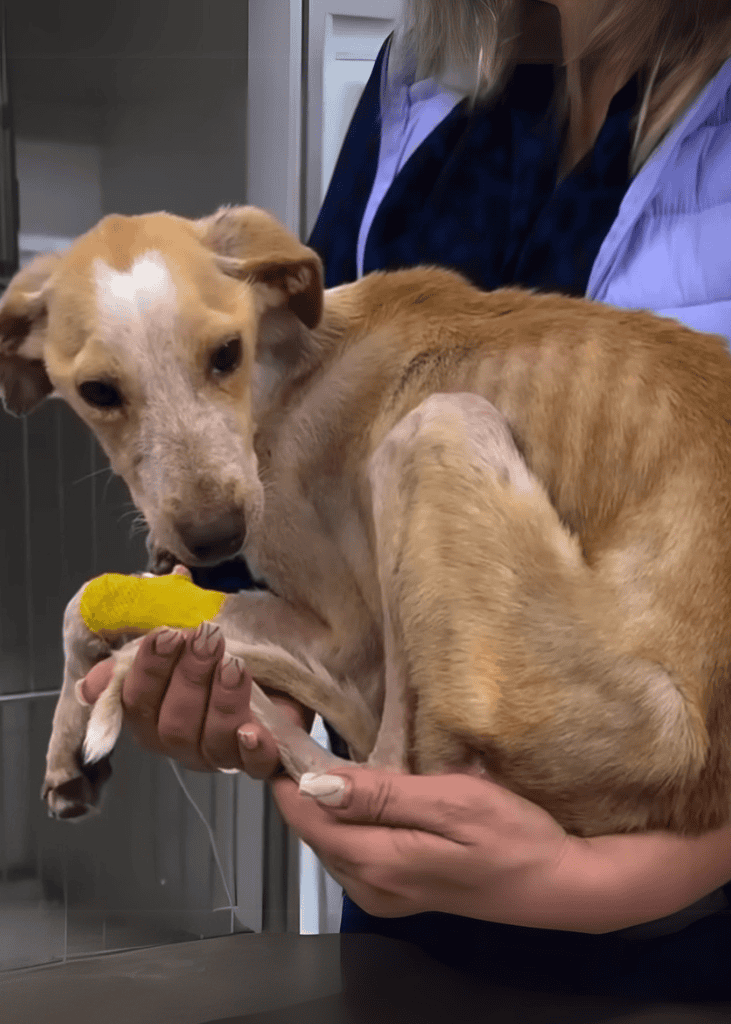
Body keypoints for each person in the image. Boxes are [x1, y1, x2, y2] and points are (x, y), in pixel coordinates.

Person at [81, 0, 731, 1001]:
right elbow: (290, 475)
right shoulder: (418, 78)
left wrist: (604, 880)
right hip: (397, 923)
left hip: (678, 957)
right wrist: (223, 680)